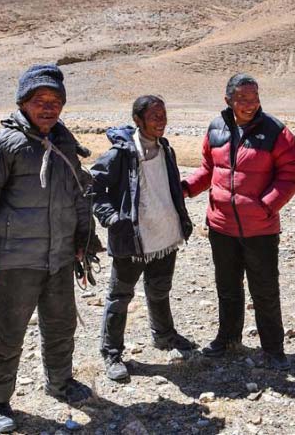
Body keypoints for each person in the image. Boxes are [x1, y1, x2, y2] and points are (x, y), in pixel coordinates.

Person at [0, 64, 101, 433]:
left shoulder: (65, 143)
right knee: (7, 334)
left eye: (55, 101)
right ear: (23, 102)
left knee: (61, 326)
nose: (48, 108)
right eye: (40, 100)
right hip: (13, 262)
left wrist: (84, 243)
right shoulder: (3, 145)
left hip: (57, 260)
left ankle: (60, 382)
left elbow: (80, 197)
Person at [182, 73, 295, 369]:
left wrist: (266, 205)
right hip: (221, 226)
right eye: (243, 99)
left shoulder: (275, 131)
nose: (250, 104)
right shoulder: (216, 128)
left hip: (260, 228)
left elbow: (291, 175)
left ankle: (273, 350)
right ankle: (228, 339)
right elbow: (209, 169)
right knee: (227, 286)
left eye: (255, 98)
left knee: (264, 289)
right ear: (228, 101)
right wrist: (185, 188)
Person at [90, 95, 194, 382]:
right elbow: (94, 187)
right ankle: (111, 353)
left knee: (159, 289)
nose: (161, 120)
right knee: (120, 297)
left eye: (163, 114)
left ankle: (164, 335)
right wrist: (111, 218)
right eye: (154, 116)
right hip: (132, 239)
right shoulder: (121, 154)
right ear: (138, 120)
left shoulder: (166, 149)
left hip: (165, 235)